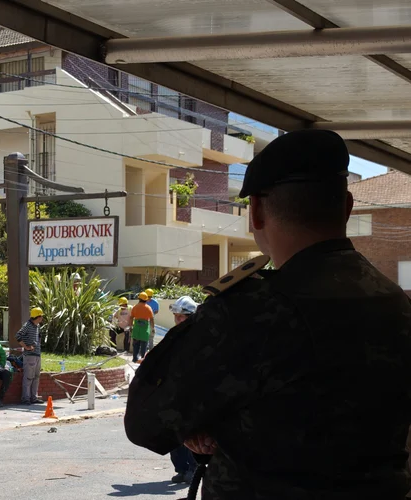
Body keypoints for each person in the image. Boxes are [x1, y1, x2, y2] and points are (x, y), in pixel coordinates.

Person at [124, 129, 411, 500]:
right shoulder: (395, 304)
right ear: (347, 207)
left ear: (256, 212)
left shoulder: (253, 310)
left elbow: (147, 421)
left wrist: (217, 427)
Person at [166, 297, 198, 484]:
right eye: (176, 317)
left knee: (192, 435)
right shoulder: (173, 335)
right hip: (174, 392)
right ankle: (181, 468)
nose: (178, 320)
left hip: (192, 393)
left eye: (181, 317)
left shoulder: (199, 336)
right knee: (174, 435)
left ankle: (194, 469)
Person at [16, 307, 45, 405]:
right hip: (30, 355)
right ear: (37, 316)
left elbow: (38, 338)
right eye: (41, 316)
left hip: (37, 354)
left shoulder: (37, 326)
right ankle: (26, 398)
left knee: (36, 376)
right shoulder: (28, 325)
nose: (42, 318)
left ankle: (34, 397)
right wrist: (26, 347)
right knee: (28, 377)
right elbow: (18, 336)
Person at [130, 292, 154, 363]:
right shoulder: (148, 308)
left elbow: (131, 317)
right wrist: (153, 328)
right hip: (145, 330)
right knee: (144, 346)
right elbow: (152, 319)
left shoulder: (135, 307)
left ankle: (135, 359)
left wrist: (131, 326)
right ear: (146, 300)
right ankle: (143, 360)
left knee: (136, 346)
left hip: (136, 329)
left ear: (139, 299)